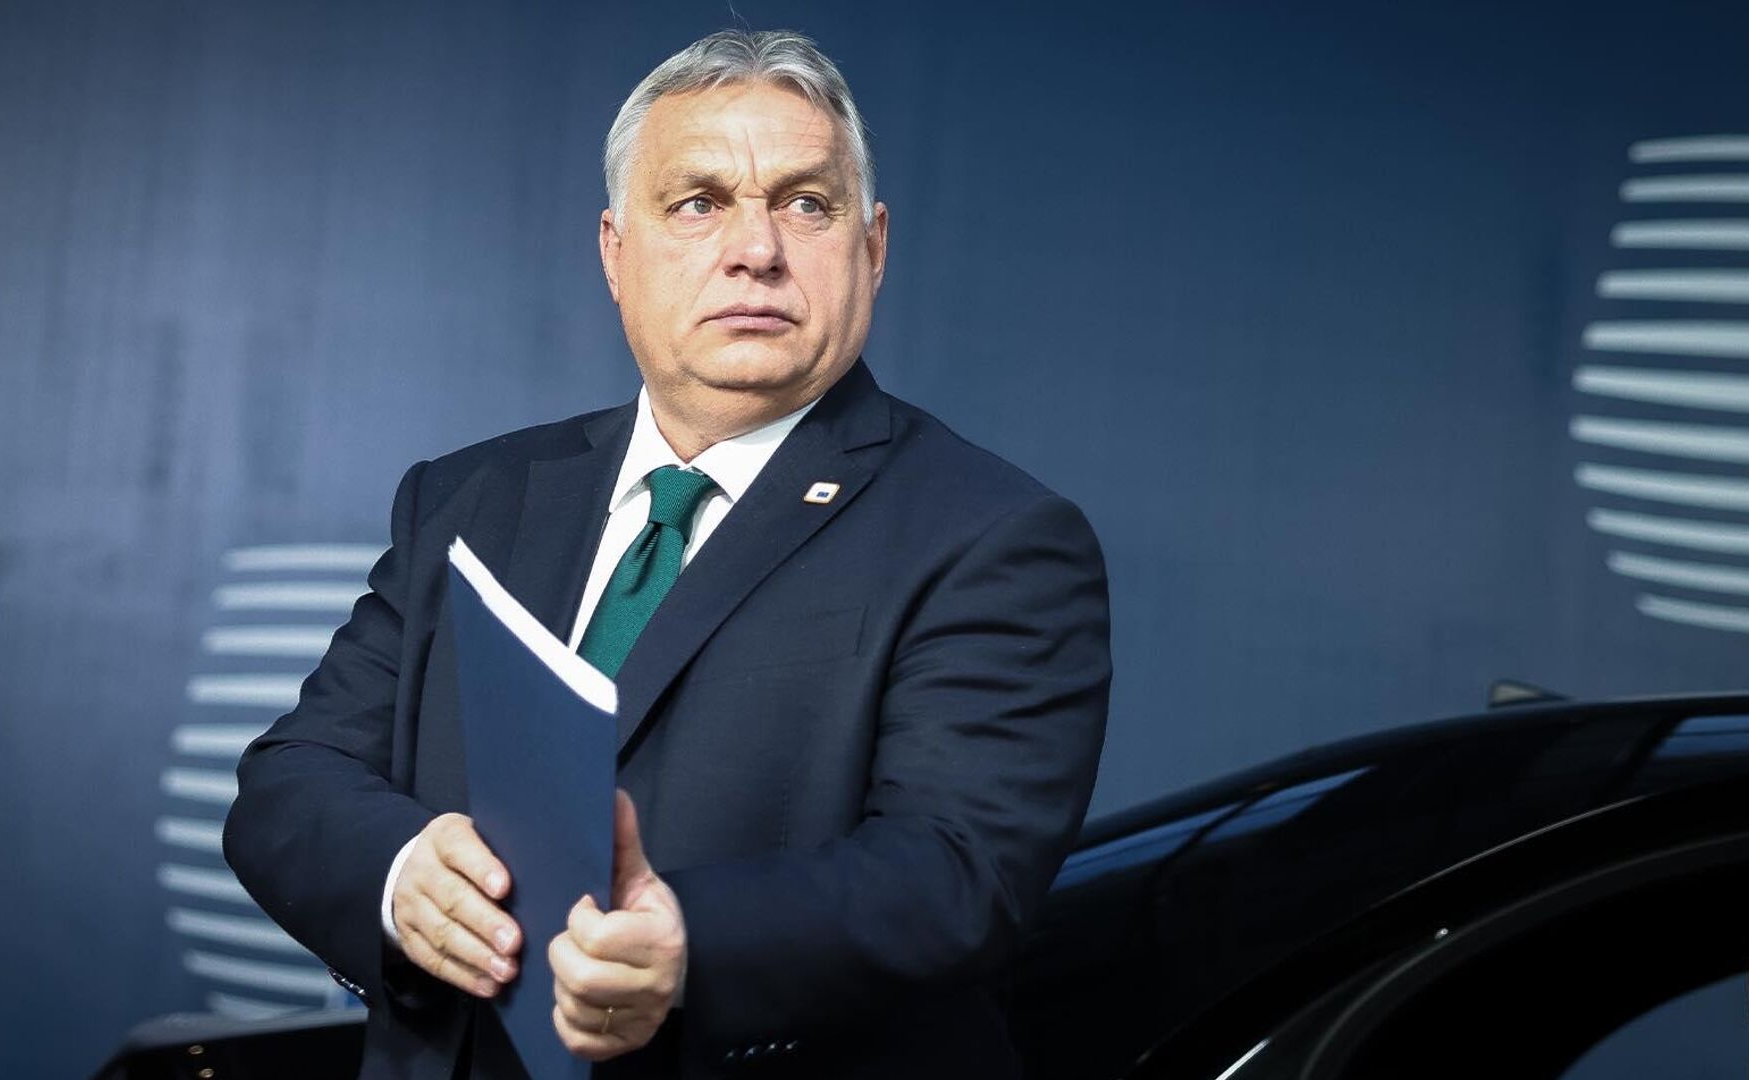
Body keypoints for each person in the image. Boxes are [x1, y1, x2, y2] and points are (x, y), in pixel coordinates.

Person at [223, 29, 1111, 1079]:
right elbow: (294, 779)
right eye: (698, 203)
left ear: (873, 248)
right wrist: (403, 872)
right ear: (615, 252)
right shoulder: (469, 498)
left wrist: (688, 944)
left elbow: (955, 873)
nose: (756, 250)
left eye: (806, 204)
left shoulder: (992, 535)